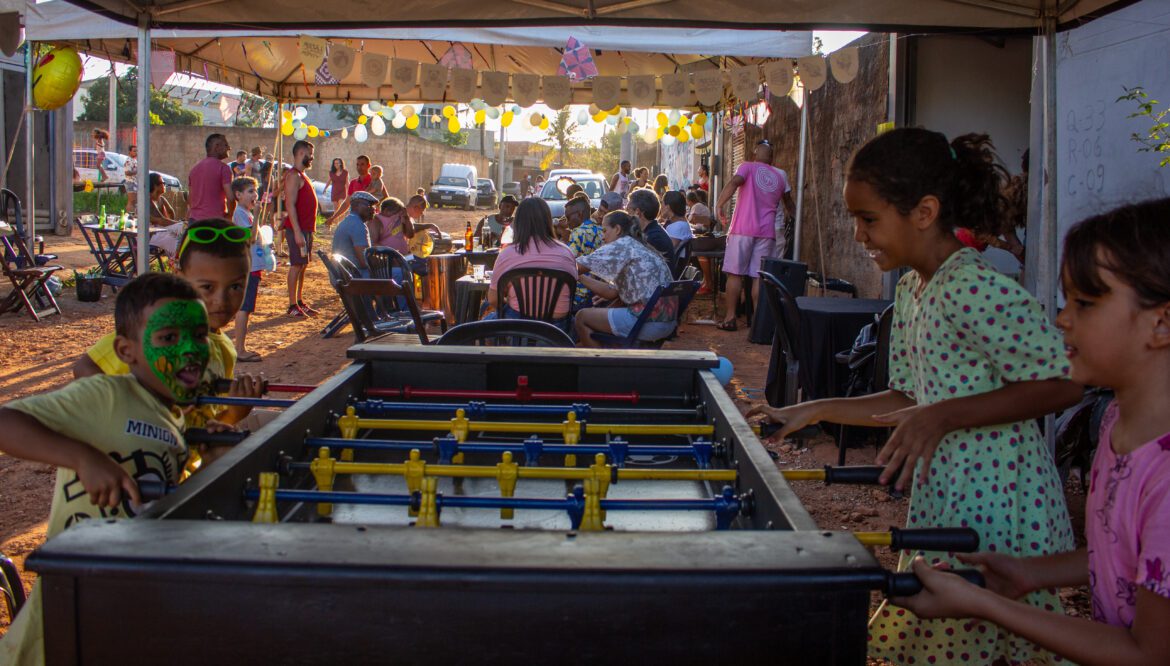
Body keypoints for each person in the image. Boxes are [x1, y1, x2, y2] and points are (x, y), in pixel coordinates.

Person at [747, 128, 1083, 664]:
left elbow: (1064, 382)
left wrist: (944, 416)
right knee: (944, 622)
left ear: (924, 211)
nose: (859, 235)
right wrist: (815, 408)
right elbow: (909, 397)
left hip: (1001, 492)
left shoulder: (975, 286)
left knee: (980, 630)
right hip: (944, 484)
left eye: (869, 219)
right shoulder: (910, 288)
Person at [887, 198, 1170, 665]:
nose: (1062, 319)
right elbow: (1125, 558)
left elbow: (1148, 653)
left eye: (1084, 303)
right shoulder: (1122, 426)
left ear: (1160, 323)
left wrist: (985, 604)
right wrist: (1028, 573)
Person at [0, 273, 222, 666]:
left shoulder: (172, 417)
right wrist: (83, 459)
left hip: (116, 602)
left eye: (199, 336)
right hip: (63, 619)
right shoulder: (107, 395)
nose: (189, 349)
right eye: (168, 338)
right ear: (126, 351)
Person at [74, 218, 261, 430]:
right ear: (179, 279)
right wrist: (137, 415)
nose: (222, 300)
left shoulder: (225, 351)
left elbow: (201, 426)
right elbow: (85, 367)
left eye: (235, 287)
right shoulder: (160, 333)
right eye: (207, 287)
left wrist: (235, 413)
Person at [713, 139, 795, 331]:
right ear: (772, 156)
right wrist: (798, 218)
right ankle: (758, 322)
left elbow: (734, 182)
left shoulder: (747, 167)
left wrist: (719, 204)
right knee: (759, 276)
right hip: (767, 233)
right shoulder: (780, 176)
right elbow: (789, 204)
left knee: (735, 274)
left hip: (742, 229)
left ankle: (731, 317)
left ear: (755, 151)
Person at [575, 211, 677, 347]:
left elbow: (577, 266)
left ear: (617, 229)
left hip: (648, 321)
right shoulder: (638, 245)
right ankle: (612, 361)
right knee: (609, 307)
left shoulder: (622, 245)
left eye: (605, 231)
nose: (602, 237)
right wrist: (579, 277)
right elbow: (611, 292)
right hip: (667, 321)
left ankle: (598, 365)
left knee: (582, 317)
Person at [486, 197, 578, 334]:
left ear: (518, 222)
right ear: (548, 220)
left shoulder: (507, 254)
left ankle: (500, 355)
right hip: (558, 330)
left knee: (484, 323)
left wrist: (511, 303)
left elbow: (493, 299)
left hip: (517, 327)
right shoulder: (567, 253)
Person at [283, 139, 319, 317]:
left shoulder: (302, 175)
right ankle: (291, 305)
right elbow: (290, 204)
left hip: (306, 228)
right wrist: (297, 232)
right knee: (296, 265)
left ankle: (299, 301)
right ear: (300, 154)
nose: (312, 157)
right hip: (298, 229)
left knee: (303, 265)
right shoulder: (293, 176)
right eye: (310, 154)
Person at [231, 177, 264, 362]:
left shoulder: (246, 213)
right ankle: (240, 350)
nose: (255, 195)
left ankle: (240, 347)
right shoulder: (241, 214)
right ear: (238, 194)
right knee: (244, 308)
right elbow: (250, 238)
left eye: (255, 191)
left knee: (246, 308)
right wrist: (258, 214)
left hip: (252, 265)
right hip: (248, 267)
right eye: (250, 191)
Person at [566, 195, 603, 310]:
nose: (567, 222)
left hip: (579, 295)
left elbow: (567, 262)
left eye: (568, 217)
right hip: (598, 291)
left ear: (580, 214)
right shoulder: (602, 230)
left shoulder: (578, 232)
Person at [188, 133, 234, 222]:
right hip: (214, 224)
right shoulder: (224, 168)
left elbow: (190, 200)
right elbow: (231, 198)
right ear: (216, 147)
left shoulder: (194, 169)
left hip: (194, 223)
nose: (229, 148)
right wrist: (230, 216)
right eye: (226, 145)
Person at [332, 191, 376, 278]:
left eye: (373, 207)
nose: (372, 209)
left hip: (342, 274)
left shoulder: (348, 221)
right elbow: (364, 262)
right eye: (368, 205)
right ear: (356, 206)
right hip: (354, 276)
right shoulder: (357, 224)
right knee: (397, 272)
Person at [626, 188, 674, 260]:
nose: (627, 214)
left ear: (637, 212)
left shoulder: (653, 238)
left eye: (628, 210)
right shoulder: (652, 231)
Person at [146, 172, 184, 257]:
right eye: (163, 183)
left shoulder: (161, 199)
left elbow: (171, 212)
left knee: (180, 234)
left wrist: (173, 223)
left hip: (160, 232)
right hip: (150, 236)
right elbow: (161, 220)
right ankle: (176, 262)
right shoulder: (148, 200)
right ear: (155, 186)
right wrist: (178, 223)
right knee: (180, 230)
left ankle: (176, 260)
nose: (165, 185)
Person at [329, 154, 372, 225]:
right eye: (357, 165)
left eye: (362, 164)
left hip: (370, 220)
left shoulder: (375, 181)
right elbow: (346, 203)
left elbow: (384, 198)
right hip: (356, 220)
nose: (359, 167)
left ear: (368, 166)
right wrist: (333, 218)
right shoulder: (353, 183)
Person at [124, 144, 139, 212]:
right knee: (131, 201)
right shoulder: (128, 161)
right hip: (130, 182)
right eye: (134, 151)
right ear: (130, 152)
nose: (136, 152)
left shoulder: (134, 160)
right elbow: (127, 172)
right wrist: (136, 172)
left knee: (135, 201)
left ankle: (132, 214)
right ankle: (129, 215)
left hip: (135, 182)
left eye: (136, 151)